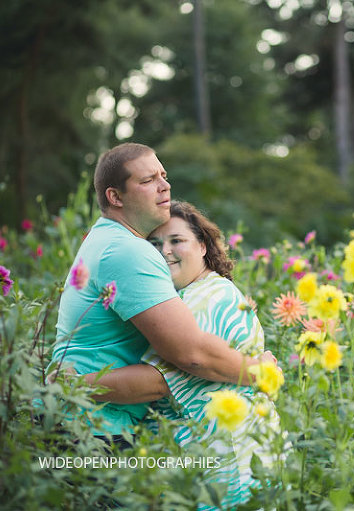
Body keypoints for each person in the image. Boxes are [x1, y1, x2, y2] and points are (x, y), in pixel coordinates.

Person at [47, 143, 273, 444]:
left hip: (84, 419)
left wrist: (74, 385)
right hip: (91, 428)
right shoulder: (127, 250)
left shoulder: (107, 239)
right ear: (115, 197)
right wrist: (260, 371)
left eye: (163, 176)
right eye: (147, 180)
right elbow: (191, 356)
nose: (164, 186)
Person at [83, 201, 281, 510]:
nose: (164, 251)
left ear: (202, 245)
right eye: (154, 244)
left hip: (228, 463)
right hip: (223, 456)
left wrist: (75, 384)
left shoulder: (207, 296)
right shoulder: (195, 295)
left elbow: (157, 381)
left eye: (177, 240)